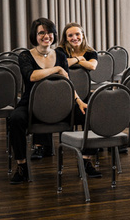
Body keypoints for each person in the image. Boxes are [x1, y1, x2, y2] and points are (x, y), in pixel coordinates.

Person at [8, 17, 99, 183]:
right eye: (41, 32)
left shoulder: (59, 55)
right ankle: (22, 167)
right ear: (34, 36)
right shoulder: (25, 56)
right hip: (32, 106)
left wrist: (79, 101)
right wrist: (56, 68)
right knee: (15, 119)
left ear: (54, 35)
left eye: (49, 32)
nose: (46, 36)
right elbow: (32, 76)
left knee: (89, 114)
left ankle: (86, 161)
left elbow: (67, 83)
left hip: (61, 106)